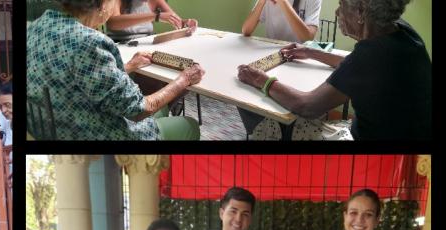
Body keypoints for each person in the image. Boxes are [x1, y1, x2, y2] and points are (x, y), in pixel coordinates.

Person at [236, 0, 431, 140]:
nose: (338, 13)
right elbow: (354, 63)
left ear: (362, 11)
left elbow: (307, 106)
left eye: (342, 5)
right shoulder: (402, 33)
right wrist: (311, 52)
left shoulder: (371, 54)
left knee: (264, 110)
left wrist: (260, 79)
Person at [27, 0, 204, 140]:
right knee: (188, 125)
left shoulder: (35, 27)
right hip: (88, 131)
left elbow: (75, 74)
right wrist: (184, 79)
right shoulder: (90, 42)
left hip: (49, 126)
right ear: (102, 4)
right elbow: (137, 110)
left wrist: (129, 66)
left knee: (163, 109)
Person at [238, 0, 321, 137]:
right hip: (273, 58)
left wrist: (283, 2)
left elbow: (307, 37)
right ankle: (262, 130)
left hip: (300, 59)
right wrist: (261, 2)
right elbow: (246, 30)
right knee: (244, 85)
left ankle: (281, 130)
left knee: (288, 104)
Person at [105, 0, 197, 43]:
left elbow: (175, 19)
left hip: (146, 43)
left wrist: (185, 23)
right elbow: (112, 23)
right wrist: (155, 15)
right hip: (120, 44)